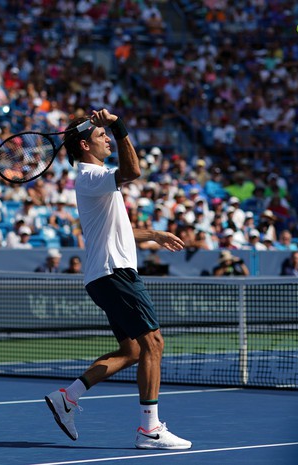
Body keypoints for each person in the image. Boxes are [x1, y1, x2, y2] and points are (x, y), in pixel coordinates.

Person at [44, 109, 191, 450]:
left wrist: (153, 234)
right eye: (100, 136)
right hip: (115, 274)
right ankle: (149, 429)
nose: (107, 139)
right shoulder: (91, 175)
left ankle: (69, 396)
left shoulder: (90, 179)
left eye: (107, 135)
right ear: (84, 145)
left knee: (134, 350)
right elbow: (134, 171)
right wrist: (117, 124)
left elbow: (118, 230)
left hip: (104, 275)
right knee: (154, 344)